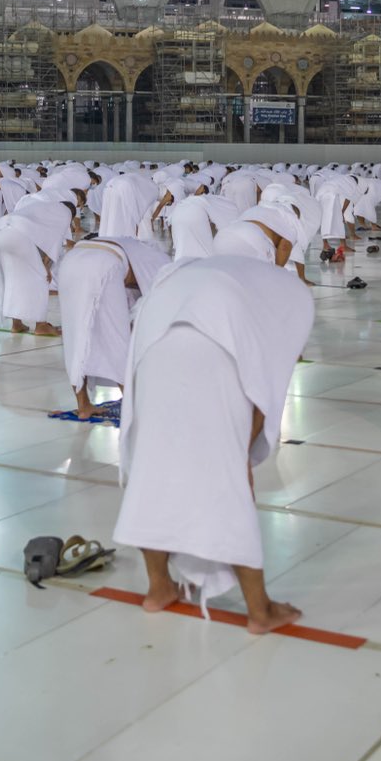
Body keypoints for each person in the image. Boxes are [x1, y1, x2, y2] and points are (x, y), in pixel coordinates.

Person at [112, 254, 314, 632]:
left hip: (154, 343)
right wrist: (240, 455)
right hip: (211, 348)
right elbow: (263, 389)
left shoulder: (198, 273)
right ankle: (260, 610)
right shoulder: (292, 300)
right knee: (227, 479)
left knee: (152, 467)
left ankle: (158, 588)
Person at [55, 235, 171, 418]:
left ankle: (83, 405)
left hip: (70, 261)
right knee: (117, 337)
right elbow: (157, 311)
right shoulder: (163, 265)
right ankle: (135, 409)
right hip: (105, 264)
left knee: (74, 336)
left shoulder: (137, 249)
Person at [0, 197, 75, 335]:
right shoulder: (65, 212)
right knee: (41, 278)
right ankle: (41, 326)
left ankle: (16, 324)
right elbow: (55, 241)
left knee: (13, 279)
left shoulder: (43, 209)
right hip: (18, 233)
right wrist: (46, 266)